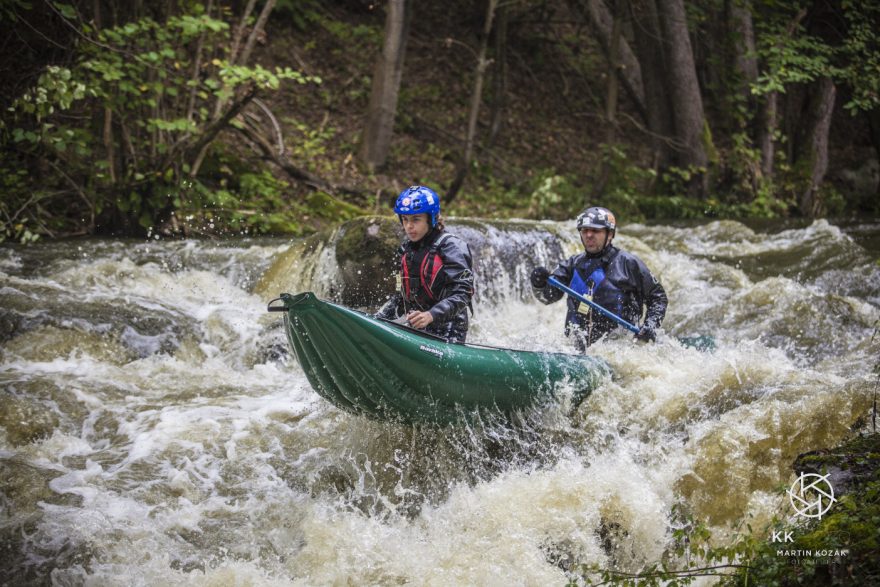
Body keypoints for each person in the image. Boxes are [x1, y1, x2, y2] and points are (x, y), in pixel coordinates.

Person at [530, 206, 667, 350]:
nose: (589, 235)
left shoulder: (629, 264)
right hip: (575, 350)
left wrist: (650, 325)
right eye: (584, 230)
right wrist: (539, 284)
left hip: (619, 350)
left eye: (595, 230)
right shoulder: (571, 264)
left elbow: (658, 298)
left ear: (610, 234)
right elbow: (547, 297)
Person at [376, 185, 475, 343]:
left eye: (416, 219)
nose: (409, 226)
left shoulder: (451, 247)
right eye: (405, 219)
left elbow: (463, 293)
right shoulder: (406, 250)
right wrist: (377, 320)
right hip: (418, 328)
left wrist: (431, 315)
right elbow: (400, 297)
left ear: (431, 218)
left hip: (449, 330)